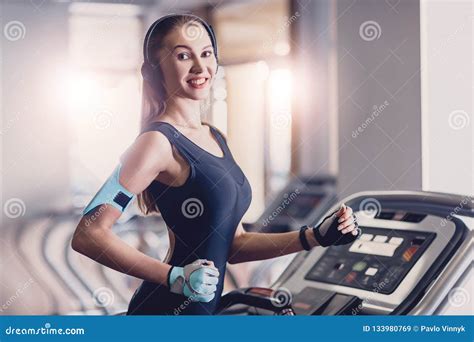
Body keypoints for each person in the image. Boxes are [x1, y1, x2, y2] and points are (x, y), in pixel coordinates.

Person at [71, 14, 360, 315]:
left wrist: (313, 236)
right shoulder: (155, 142)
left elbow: (233, 245)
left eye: (206, 53)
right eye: (183, 55)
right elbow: (89, 234)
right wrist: (175, 277)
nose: (200, 67)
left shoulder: (215, 137)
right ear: (156, 69)